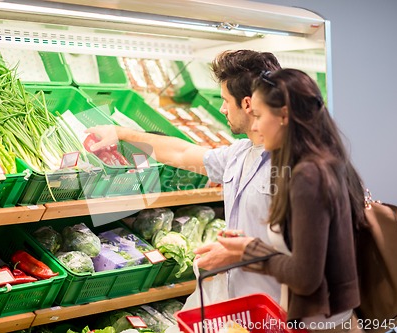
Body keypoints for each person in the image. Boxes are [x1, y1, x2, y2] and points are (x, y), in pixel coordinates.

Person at [86, 50, 283, 302]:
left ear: (246, 104)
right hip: (244, 305)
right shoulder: (240, 154)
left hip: (287, 311)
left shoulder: (294, 166)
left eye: (225, 100)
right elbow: (182, 152)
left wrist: (240, 255)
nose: (222, 108)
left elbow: (313, 256)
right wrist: (121, 133)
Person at [204, 68, 365, 332]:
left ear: (284, 116)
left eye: (257, 115)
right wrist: (246, 247)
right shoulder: (321, 162)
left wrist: (249, 250)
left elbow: (305, 277)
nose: (254, 126)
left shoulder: (308, 176)